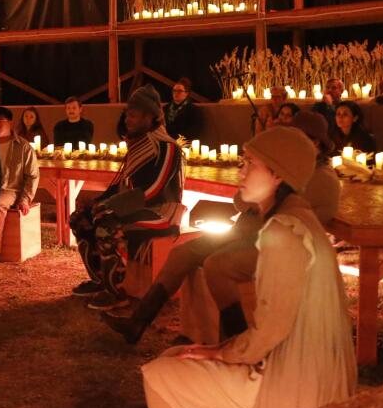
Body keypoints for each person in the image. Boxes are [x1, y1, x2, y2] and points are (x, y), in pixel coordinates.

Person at [139, 127, 356, 408]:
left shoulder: (283, 232)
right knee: (174, 357)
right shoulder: (295, 218)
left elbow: (270, 332)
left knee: (159, 376)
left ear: (278, 175)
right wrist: (220, 349)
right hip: (300, 368)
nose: (240, 171)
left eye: (250, 163)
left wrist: (221, 353)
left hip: (295, 383)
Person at [102, 112, 340, 345]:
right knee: (181, 254)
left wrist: (263, 201)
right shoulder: (280, 168)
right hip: (243, 234)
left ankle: (238, 339)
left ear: (316, 144)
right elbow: (239, 201)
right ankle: (138, 322)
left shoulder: (322, 178)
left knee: (219, 265)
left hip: (273, 245)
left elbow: (303, 221)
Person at [69, 85, 183, 312]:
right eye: (127, 113)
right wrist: (96, 202)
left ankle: (116, 291)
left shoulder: (168, 149)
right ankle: (100, 279)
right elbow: (121, 186)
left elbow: (153, 191)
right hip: (138, 207)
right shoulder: (139, 146)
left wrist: (108, 206)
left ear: (150, 117)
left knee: (107, 220)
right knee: (80, 217)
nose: (127, 119)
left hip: (163, 212)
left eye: (133, 114)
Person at [0, 106, 40, 259]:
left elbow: (32, 176)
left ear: (10, 123)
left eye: (0, 121)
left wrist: (25, 199)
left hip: (9, 189)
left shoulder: (23, 147)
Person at [164, 78, 203, 142]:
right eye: (174, 91)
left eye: (179, 91)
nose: (176, 93)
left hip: (181, 143)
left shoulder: (193, 110)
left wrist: (173, 138)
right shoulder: (165, 108)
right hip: (165, 140)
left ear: (186, 93)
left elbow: (194, 131)